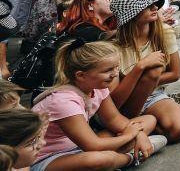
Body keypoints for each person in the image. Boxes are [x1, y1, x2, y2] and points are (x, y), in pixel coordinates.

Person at [30, 40, 165, 170]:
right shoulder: (64, 102)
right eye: (108, 70)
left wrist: (139, 134)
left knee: (148, 120)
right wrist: (129, 136)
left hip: (77, 146)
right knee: (97, 160)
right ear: (81, 75)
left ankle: (117, 158)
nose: (115, 74)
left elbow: (114, 119)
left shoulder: (98, 88)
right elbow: (92, 145)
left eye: (116, 67)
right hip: (46, 158)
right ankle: (130, 158)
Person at [107, 0, 180, 141]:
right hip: (125, 103)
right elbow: (114, 101)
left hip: (153, 94)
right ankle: (150, 125)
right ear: (131, 14)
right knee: (152, 70)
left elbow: (175, 74)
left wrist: (146, 84)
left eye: (155, 4)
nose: (155, 7)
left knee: (179, 129)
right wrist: (140, 68)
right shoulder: (112, 48)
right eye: (147, 6)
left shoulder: (163, 32)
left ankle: (152, 123)